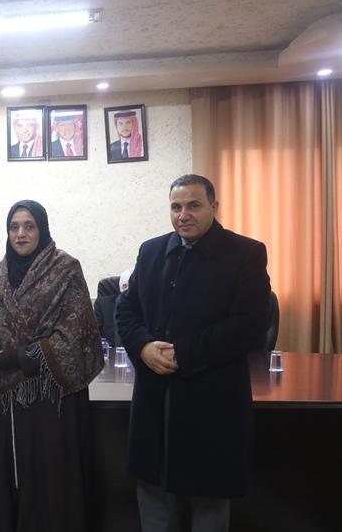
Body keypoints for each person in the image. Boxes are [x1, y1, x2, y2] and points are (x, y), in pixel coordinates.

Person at [115, 174, 271, 532]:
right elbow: (126, 309)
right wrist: (143, 346)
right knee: (154, 500)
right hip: (155, 400)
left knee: (209, 505)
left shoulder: (245, 253)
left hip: (211, 400)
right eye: (176, 207)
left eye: (193, 205)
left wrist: (181, 354)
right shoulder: (151, 251)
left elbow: (249, 326)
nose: (183, 215)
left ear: (214, 207)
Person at [0, 200, 104, 532]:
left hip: (53, 396)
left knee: (53, 478)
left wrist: (17, 357)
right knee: (14, 476)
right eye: (14, 227)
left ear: (42, 229)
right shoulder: (1, 272)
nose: (20, 233)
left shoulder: (66, 268)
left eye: (29, 226)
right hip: (11, 399)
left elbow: (76, 335)